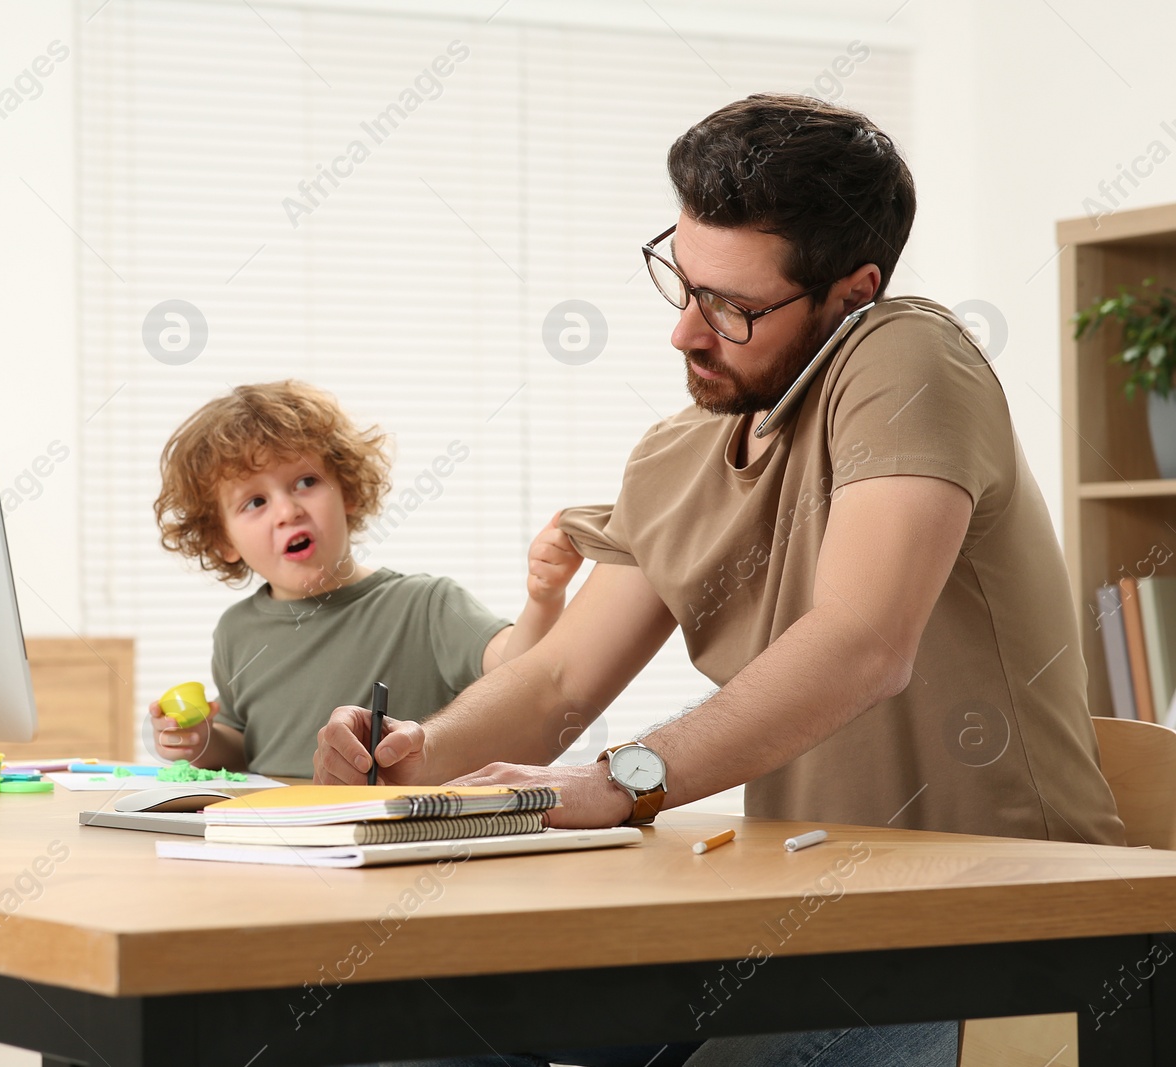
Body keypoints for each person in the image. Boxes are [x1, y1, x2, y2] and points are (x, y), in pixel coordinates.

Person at [316, 94, 1124, 1067]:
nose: (686, 335)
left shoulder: (907, 356)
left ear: (849, 292)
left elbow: (862, 643)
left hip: (984, 916)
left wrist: (624, 781)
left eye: (734, 308)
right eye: (683, 284)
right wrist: (417, 757)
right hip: (791, 910)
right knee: (417, 1036)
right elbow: (562, 680)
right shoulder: (680, 451)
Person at [149, 379, 582, 778]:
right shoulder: (236, 631)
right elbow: (245, 743)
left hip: (385, 834)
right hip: (276, 835)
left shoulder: (426, 605)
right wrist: (203, 741)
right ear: (222, 539)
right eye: (255, 501)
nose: (287, 511)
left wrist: (544, 597)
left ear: (349, 492)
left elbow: (520, 671)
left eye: (305, 481)